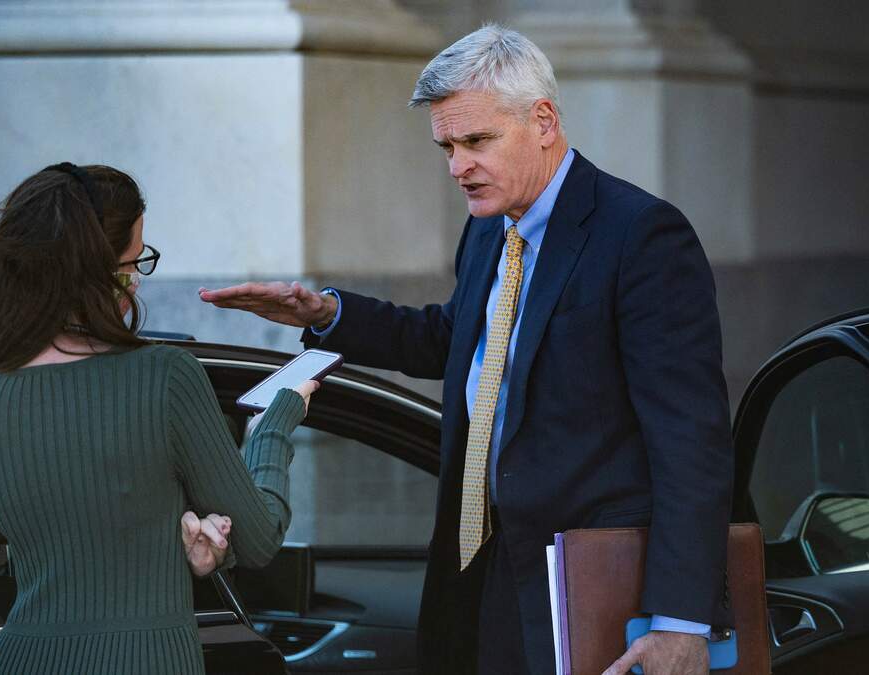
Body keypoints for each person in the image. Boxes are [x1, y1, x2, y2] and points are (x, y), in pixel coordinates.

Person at [200, 25, 734, 675]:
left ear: (543, 121)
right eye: (447, 147)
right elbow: (457, 340)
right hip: (483, 573)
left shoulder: (641, 235)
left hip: (594, 582)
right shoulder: (489, 227)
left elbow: (690, 440)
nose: (457, 167)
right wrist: (329, 315)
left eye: (476, 141)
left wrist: (680, 620)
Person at [0, 163, 319, 675]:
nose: (137, 281)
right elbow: (259, 539)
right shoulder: (164, 376)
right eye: (137, 260)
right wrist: (273, 423)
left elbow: (61, 547)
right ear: (105, 273)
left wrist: (185, 551)